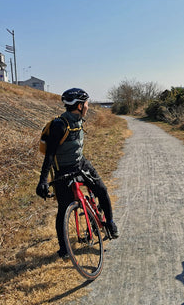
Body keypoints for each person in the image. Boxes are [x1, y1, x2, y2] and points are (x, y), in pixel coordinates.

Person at [36, 88, 119, 258]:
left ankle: (109, 223)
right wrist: (43, 179)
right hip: (62, 171)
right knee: (64, 209)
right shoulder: (60, 125)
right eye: (87, 103)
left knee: (102, 190)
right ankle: (64, 249)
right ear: (80, 106)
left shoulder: (79, 120)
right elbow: (50, 154)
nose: (88, 106)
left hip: (81, 164)